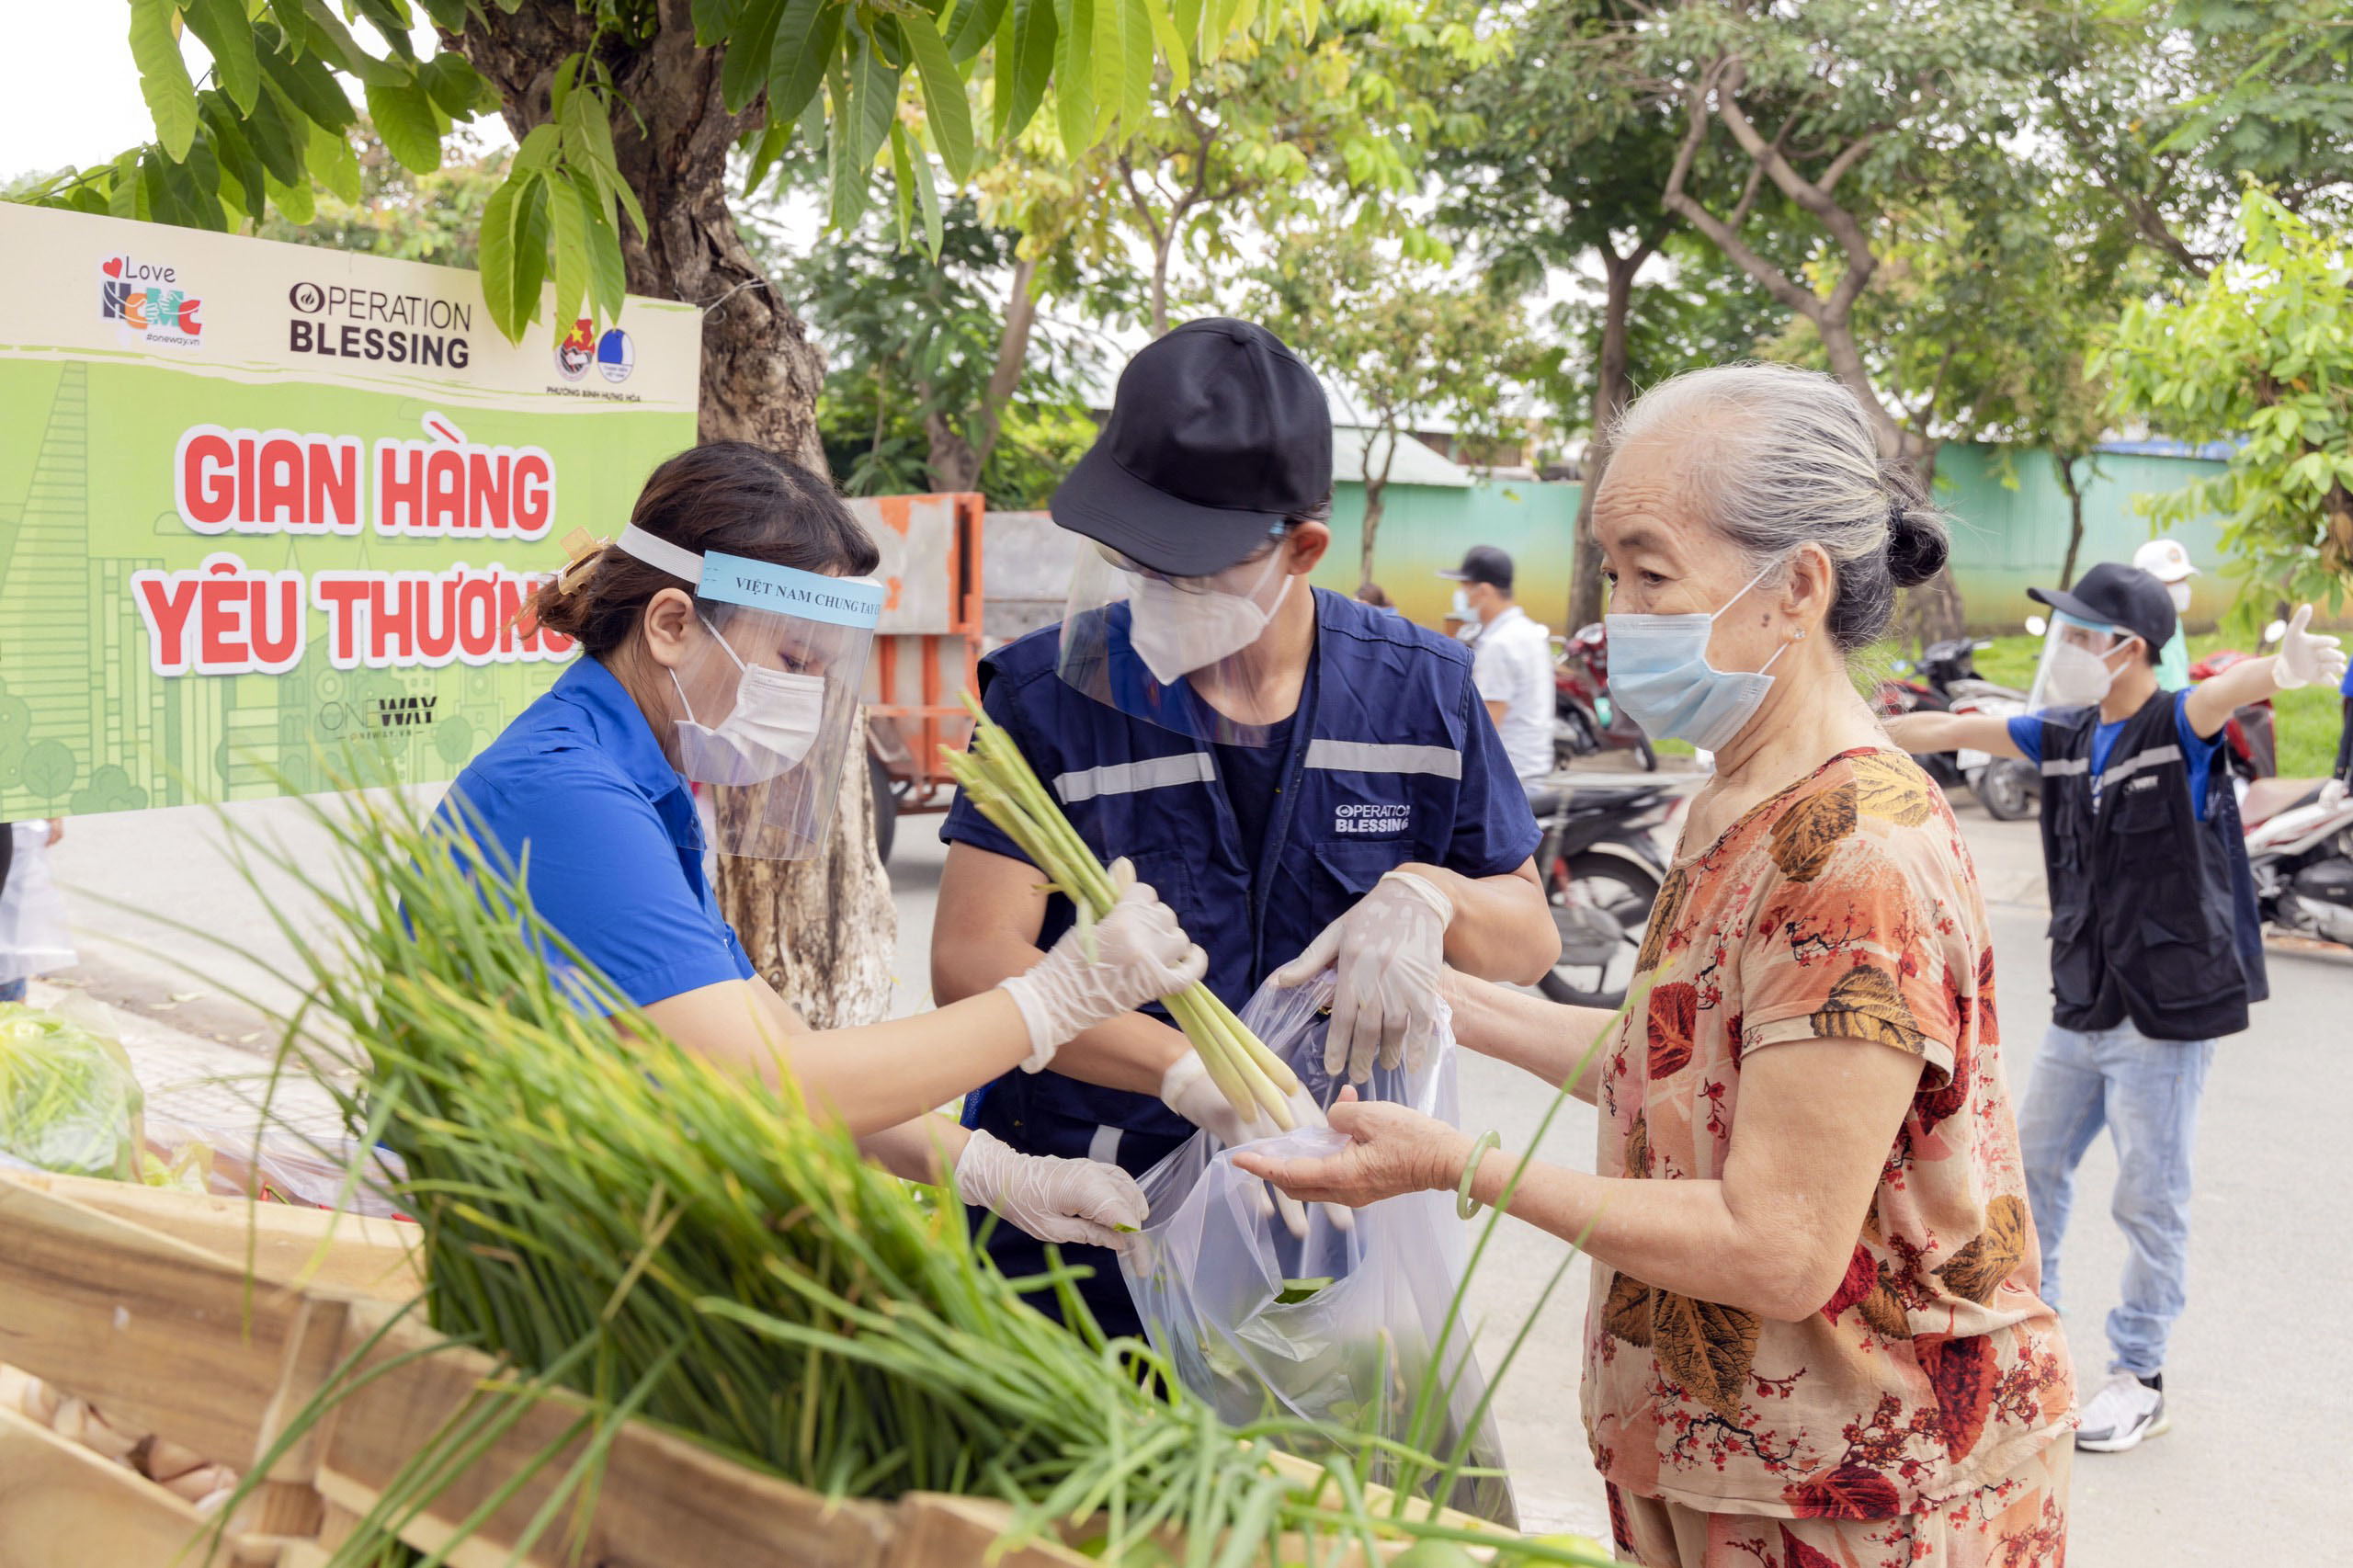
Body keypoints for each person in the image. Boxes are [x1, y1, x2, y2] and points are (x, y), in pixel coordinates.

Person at [1243, 364, 2075, 1568]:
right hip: (1727, 1463)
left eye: (1648, 570)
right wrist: (1449, 1000)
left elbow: (1777, 1243)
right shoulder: (1738, 794)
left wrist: (1456, 1163)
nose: (1613, 613)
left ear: (1795, 586)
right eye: (1612, 570)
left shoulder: (1854, 852)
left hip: (1862, 1498)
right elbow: (1679, 1069)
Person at [931, 318, 1558, 1338]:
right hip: (1078, 1211)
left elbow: (1527, 939)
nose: (1148, 597)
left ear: (1301, 548)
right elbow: (969, 958)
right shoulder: (1049, 692)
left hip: (1326, 1227)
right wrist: (1186, 1072)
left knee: (1300, 1491)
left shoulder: (1421, 693)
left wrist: (1425, 891)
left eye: (1185, 570)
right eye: (1133, 563)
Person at [438, 442, 1211, 1255]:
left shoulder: (637, 783)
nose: (803, 698)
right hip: (507, 1233)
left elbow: (781, 1049)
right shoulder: (569, 796)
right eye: (792, 661)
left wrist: (995, 1169)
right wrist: (1053, 999)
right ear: (670, 625)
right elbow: (769, 1089)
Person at [1888, 562, 2344, 1454]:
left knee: (2149, 1196)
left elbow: (2233, 688)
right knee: (2029, 1179)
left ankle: (2139, 1374)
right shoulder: (2060, 732)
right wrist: (1837, 723)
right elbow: (1949, 723)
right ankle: (2022, 1342)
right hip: (2084, 1003)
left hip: (2164, 1010)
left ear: (2124, 647)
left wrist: (2281, 670)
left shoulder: (2173, 723)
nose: (2064, 648)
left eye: (2078, 633)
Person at [1439, 546, 1555, 784]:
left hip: (1510, 775)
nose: (1462, 596)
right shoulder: (1528, 631)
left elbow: (1488, 723)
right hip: (1534, 768)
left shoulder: (1499, 644)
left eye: (1465, 588)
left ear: (1483, 590)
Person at [2130, 538, 2198, 691]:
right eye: (2171, 581)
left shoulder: (2173, 618)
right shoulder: (2136, 629)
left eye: (2183, 579)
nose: (2181, 588)